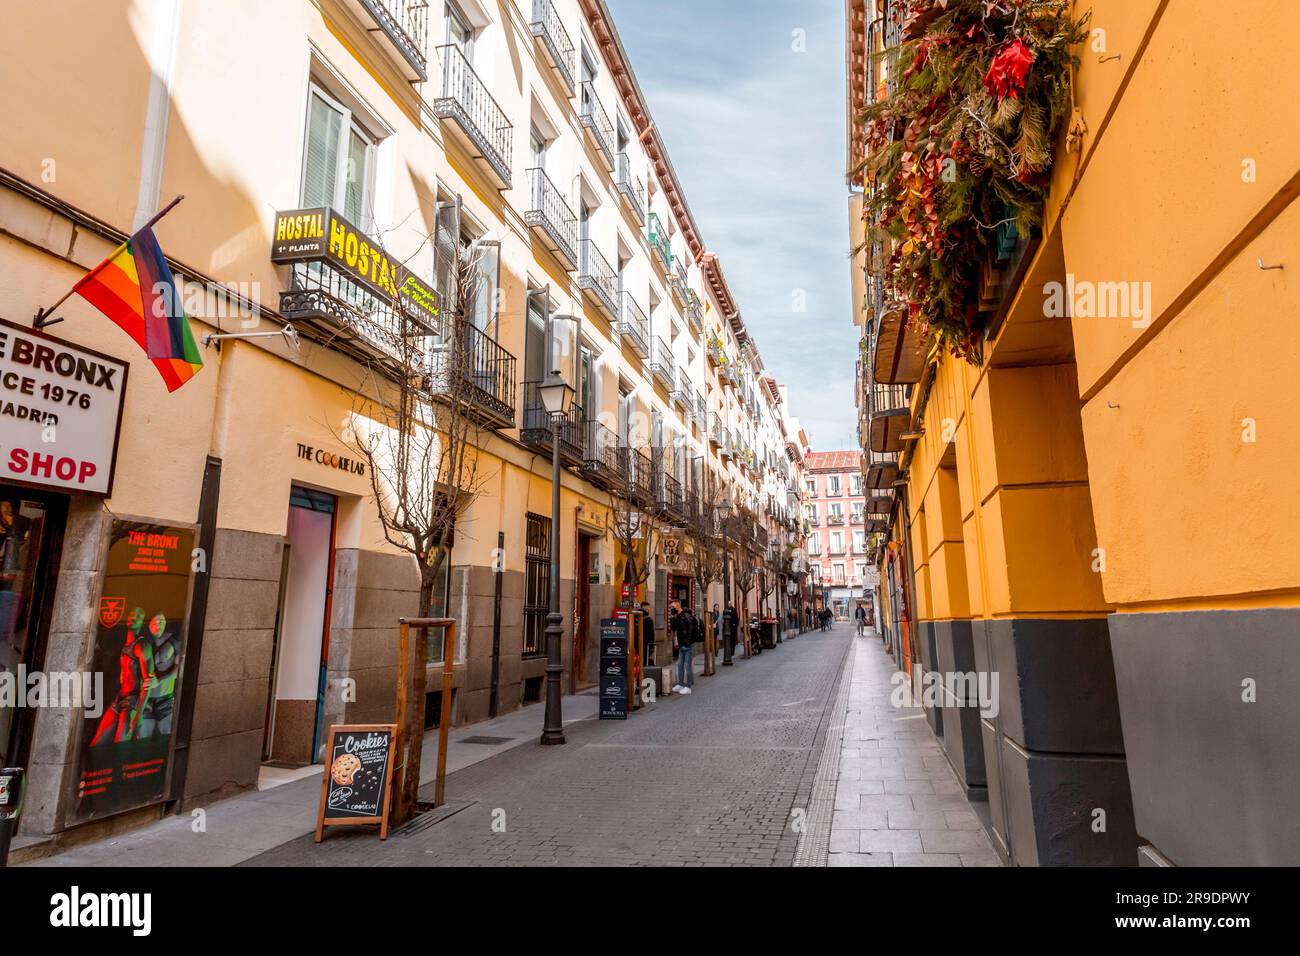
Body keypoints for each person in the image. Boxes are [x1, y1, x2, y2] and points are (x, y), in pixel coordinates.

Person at [672, 606, 696, 693]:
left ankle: (688, 687)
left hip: (687, 644)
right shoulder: (677, 616)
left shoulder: (686, 615)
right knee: (679, 665)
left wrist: (688, 641)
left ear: (677, 605)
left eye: (673, 606)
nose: (672, 607)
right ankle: (680, 684)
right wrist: (672, 617)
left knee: (687, 665)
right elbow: (673, 628)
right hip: (681, 644)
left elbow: (691, 628)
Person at [640, 601, 656, 669]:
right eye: (648, 609)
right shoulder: (648, 619)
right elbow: (651, 634)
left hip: (637, 644)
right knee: (644, 661)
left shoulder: (636, 616)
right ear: (646, 609)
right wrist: (652, 645)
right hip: (646, 644)